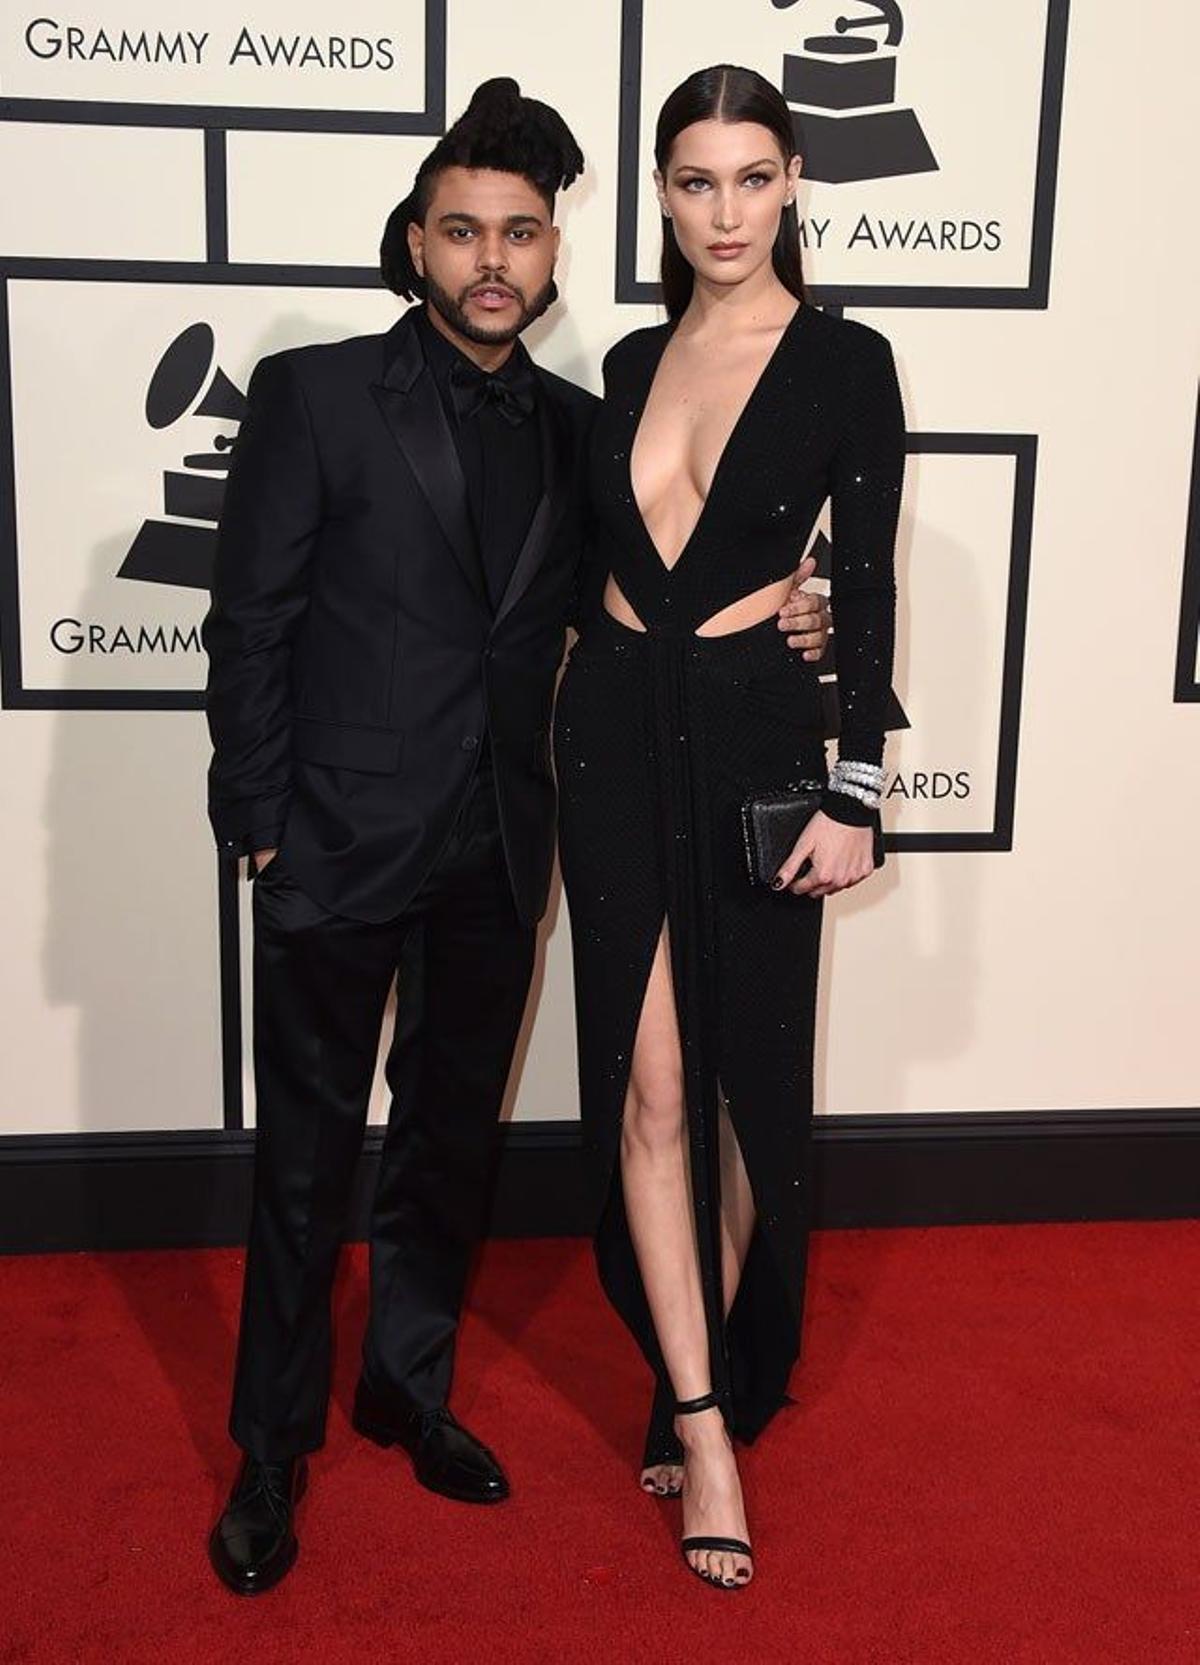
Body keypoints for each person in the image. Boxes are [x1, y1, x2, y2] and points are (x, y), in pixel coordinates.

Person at [202, 77, 831, 1595]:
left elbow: (655, 608)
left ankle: (405, 1385)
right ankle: (272, 1444)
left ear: (555, 253)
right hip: (334, 845)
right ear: (415, 243)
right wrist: (261, 828)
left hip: (499, 851)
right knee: (301, 1166)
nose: (495, 258)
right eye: (465, 230)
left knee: (445, 1148)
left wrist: (800, 618)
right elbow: (251, 627)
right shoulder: (314, 393)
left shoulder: (581, 425)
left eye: (525, 233)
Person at [554, 63, 905, 1591]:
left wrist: (859, 783)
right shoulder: (626, 363)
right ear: (661, 192)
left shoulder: (846, 360)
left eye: (752, 179)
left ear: (793, 182)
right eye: (695, 182)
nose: (724, 212)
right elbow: (586, 572)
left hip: (760, 735)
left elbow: (868, 581)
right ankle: (701, 1420)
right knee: (648, 1089)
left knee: (755, 1095)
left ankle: (729, 1343)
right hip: (615, 734)